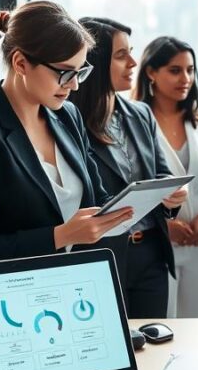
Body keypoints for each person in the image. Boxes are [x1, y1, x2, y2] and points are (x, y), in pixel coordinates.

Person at [0, 1, 133, 265]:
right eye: (65, 73)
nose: (74, 85)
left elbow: (98, 198)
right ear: (20, 63)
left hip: (83, 276)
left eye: (80, 72)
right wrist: (60, 236)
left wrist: (146, 202)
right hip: (27, 285)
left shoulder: (68, 116)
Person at [70, 17, 187, 319]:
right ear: (95, 62)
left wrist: (172, 194)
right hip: (102, 255)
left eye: (131, 53)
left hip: (151, 253)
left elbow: (160, 172)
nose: (133, 63)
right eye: (121, 55)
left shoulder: (141, 113)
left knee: (155, 338)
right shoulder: (68, 120)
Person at [134, 36, 198, 318]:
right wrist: (162, 225)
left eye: (190, 70)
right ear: (151, 72)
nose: (185, 78)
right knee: (164, 324)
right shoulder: (134, 122)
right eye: (175, 70)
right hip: (158, 244)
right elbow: (130, 188)